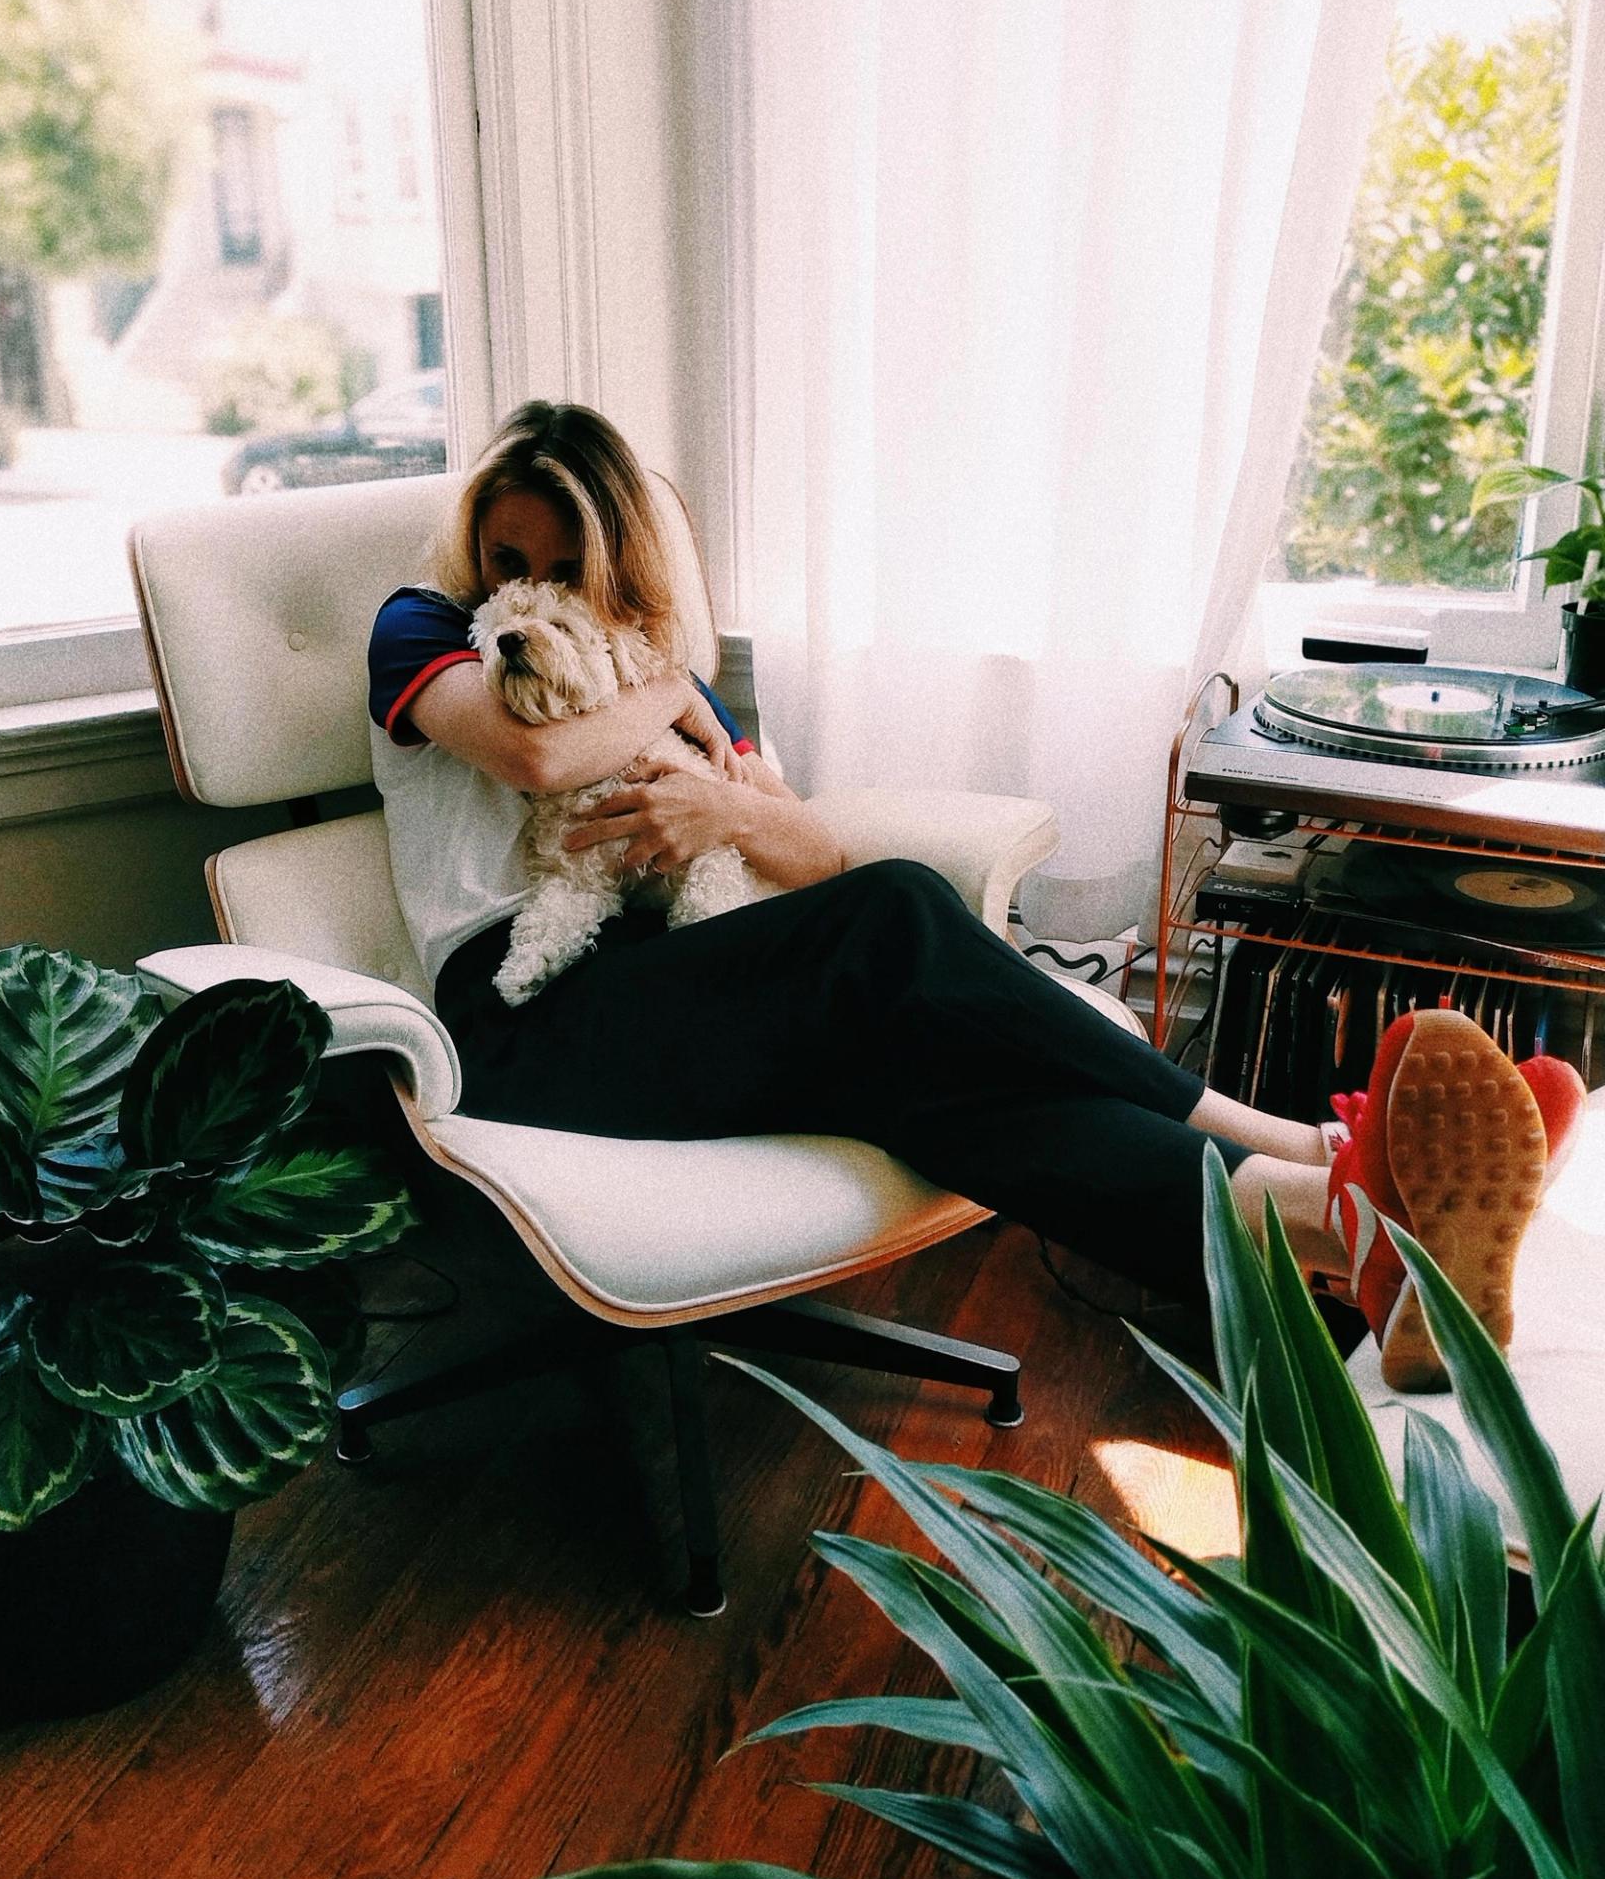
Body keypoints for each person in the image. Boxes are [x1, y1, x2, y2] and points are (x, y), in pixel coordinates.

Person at [368, 401, 1583, 1389]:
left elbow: (809, 855)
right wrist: (676, 682)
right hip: (521, 1022)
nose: (522, 588)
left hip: (677, 1000)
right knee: (899, 909)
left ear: (617, 569)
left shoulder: (647, 673)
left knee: (945, 1088)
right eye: (507, 558)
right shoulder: (428, 628)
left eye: (565, 568)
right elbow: (535, 757)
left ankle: (1358, 1232)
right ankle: (1303, 1143)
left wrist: (726, 806)